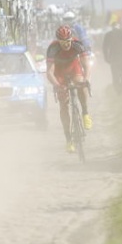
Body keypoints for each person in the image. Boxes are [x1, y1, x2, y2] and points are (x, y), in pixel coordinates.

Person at [46, 25, 92, 153]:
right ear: (58, 41)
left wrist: (86, 79)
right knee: (64, 104)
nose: (66, 45)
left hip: (74, 68)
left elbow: (86, 65)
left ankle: (85, 113)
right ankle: (68, 139)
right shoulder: (53, 48)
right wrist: (57, 85)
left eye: (68, 41)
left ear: (72, 39)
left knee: (80, 84)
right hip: (59, 73)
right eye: (62, 42)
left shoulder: (78, 44)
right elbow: (49, 72)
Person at [102, 21, 122, 95]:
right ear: (118, 25)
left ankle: (118, 90)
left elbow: (105, 47)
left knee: (115, 75)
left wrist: (106, 57)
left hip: (113, 57)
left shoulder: (108, 34)